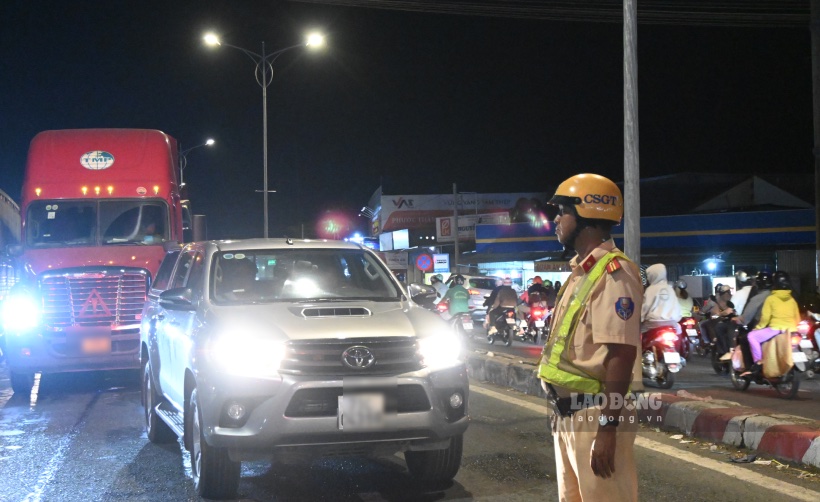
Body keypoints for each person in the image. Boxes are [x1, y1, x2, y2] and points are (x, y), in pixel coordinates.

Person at [537, 173, 642, 501]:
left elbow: (621, 355)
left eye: (563, 211)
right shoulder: (581, 272)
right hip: (569, 415)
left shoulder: (615, 274)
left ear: (587, 216)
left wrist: (608, 429)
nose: (556, 220)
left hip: (595, 416)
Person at [742, 271, 801, 377]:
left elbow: (765, 318)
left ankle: (758, 362)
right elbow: (797, 318)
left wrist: (758, 328)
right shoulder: (792, 300)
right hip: (791, 330)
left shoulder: (771, 299)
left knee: (751, 336)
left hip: (775, 329)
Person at [640, 263, 681, 334]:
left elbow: (645, 307)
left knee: (638, 335)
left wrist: (641, 318)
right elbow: (677, 307)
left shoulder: (651, 289)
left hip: (652, 324)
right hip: (671, 323)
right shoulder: (670, 289)